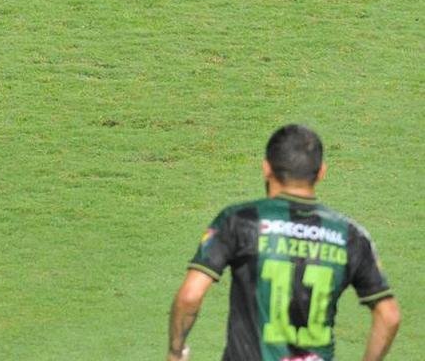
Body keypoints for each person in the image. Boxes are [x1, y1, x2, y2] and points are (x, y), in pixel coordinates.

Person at [167, 124, 400, 361]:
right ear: (321, 172)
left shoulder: (240, 220)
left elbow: (190, 296)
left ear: (266, 168)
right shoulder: (349, 235)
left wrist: (176, 352)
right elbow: (389, 316)